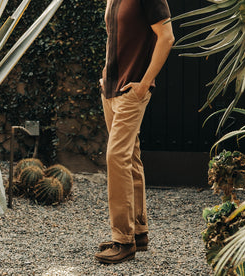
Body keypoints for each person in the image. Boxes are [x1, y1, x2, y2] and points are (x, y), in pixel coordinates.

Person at [95, 0, 174, 264]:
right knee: (130, 157)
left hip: (132, 90)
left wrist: (145, 82)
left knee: (116, 157)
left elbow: (167, 37)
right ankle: (138, 232)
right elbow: (115, 38)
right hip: (111, 89)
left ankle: (123, 240)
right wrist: (106, 73)